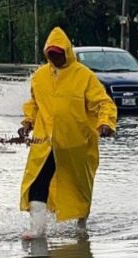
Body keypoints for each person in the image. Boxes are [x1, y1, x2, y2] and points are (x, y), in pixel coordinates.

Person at [18, 28, 117, 240]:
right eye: (51, 54)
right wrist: (28, 122)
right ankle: (37, 229)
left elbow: (103, 103)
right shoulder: (40, 77)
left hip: (76, 143)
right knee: (37, 180)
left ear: (67, 52)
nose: (55, 58)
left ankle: (82, 222)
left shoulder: (84, 76)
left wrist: (105, 123)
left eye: (58, 54)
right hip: (45, 142)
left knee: (79, 187)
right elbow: (35, 103)